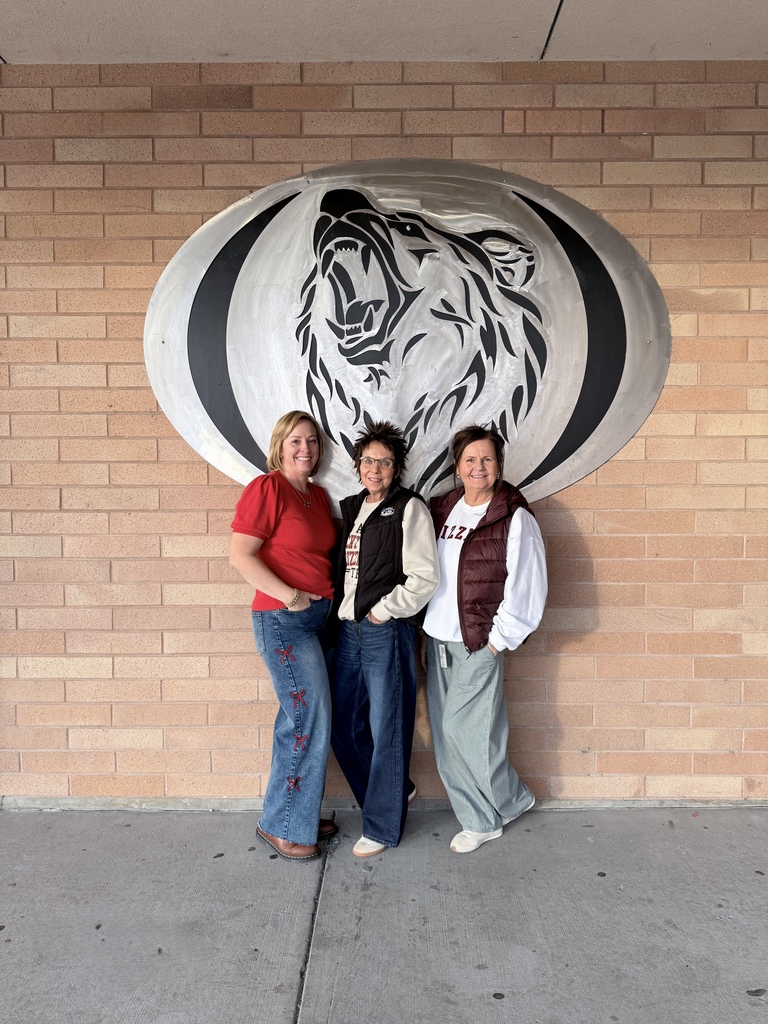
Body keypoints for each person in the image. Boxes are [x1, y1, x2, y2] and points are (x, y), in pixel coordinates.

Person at [423, 425, 547, 854]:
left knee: (467, 730)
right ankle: (481, 815)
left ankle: (502, 805)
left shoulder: (513, 516)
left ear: (499, 466)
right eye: (470, 459)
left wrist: (497, 642)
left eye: (487, 459)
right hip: (436, 638)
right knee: (445, 735)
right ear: (457, 467)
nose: (479, 467)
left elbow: (528, 587)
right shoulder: (442, 509)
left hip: (478, 641)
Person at [229, 411, 337, 861]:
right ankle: (284, 827)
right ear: (280, 444)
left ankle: (295, 813)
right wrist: (293, 597)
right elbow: (240, 555)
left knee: (298, 719)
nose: (305, 448)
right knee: (308, 719)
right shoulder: (267, 488)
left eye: (312, 441)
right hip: (283, 619)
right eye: (295, 440)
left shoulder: (317, 493)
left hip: (320, 619)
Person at [330, 421, 439, 858]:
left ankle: (381, 826)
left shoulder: (409, 509)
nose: (376, 469)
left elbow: (425, 577)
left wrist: (383, 611)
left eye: (386, 463)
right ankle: (398, 791)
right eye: (369, 461)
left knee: (387, 728)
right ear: (358, 465)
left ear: (397, 470)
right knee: (342, 724)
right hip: (348, 629)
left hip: (384, 630)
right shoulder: (353, 506)